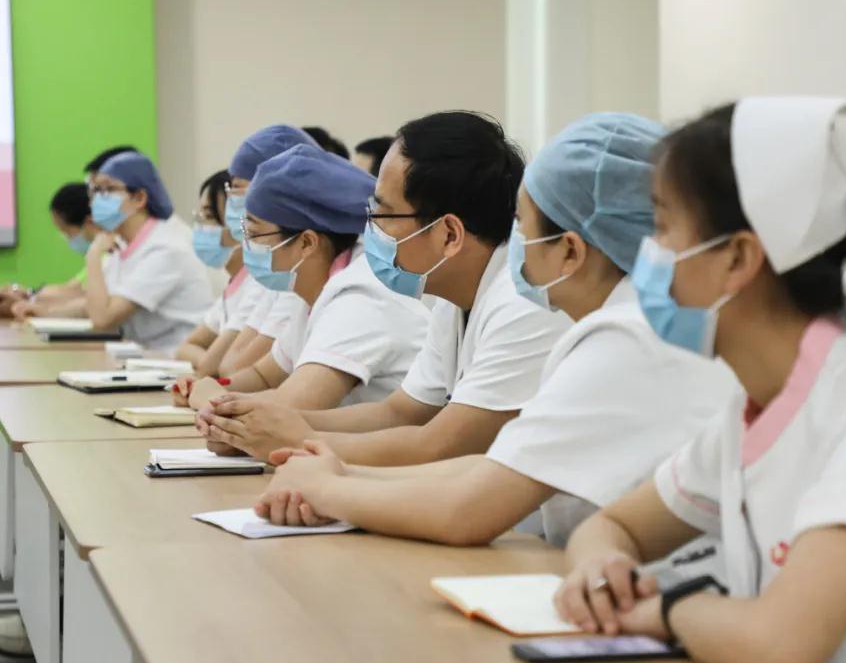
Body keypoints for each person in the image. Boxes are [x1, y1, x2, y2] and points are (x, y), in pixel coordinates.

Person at [552, 98, 846, 663]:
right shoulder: (753, 410)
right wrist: (601, 570)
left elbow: (781, 644)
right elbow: (613, 526)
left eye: (663, 227)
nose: (650, 254)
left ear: (738, 258)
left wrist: (664, 611)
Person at [252, 113, 740, 551]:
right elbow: (488, 463)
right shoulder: (603, 325)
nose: (514, 241)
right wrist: (337, 471)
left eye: (522, 223)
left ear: (571, 251)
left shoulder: (619, 337)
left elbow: (468, 504)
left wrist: (327, 485)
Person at [199, 111, 571, 466]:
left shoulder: (523, 304)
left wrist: (293, 440)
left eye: (382, 214)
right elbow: (399, 413)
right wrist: (257, 423)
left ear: (449, 234)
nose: (371, 229)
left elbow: (439, 445)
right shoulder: (454, 299)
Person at [184, 144, 429, 441]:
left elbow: (283, 412)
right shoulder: (312, 290)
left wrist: (211, 399)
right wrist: (216, 390)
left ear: (307, 243)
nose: (246, 246)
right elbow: (264, 376)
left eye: (255, 234)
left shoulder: (361, 297)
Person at [206, 125, 318, 379]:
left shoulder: (301, 276)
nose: (232, 198)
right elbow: (229, 368)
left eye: (237, 187)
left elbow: (230, 369)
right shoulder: (274, 274)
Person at [84, 151, 213, 352]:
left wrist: (93, 254)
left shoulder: (166, 247)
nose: (97, 199)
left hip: (175, 358)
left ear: (139, 198)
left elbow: (102, 319)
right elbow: (97, 303)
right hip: (143, 354)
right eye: (96, 190)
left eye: (108, 189)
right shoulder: (121, 241)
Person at [0, 182, 100, 319]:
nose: (65, 238)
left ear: (90, 222)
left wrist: (30, 300)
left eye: (66, 231)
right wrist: (26, 294)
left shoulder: (106, 254)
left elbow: (83, 297)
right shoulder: (97, 254)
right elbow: (71, 288)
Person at [175, 169, 256, 371]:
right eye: (200, 216)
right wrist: (210, 361)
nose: (201, 227)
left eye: (210, 216)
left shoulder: (257, 284)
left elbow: (219, 366)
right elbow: (185, 348)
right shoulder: (234, 284)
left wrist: (211, 363)